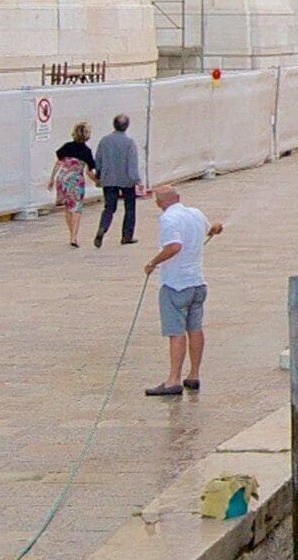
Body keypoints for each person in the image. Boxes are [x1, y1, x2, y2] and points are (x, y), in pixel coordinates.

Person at [139, 185, 223, 398]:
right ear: (178, 197)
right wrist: (215, 228)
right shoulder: (195, 213)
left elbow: (174, 246)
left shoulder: (168, 219)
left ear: (160, 202)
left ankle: (173, 380)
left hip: (176, 283)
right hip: (197, 282)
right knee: (195, 328)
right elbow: (210, 230)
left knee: (176, 332)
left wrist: (153, 263)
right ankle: (193, 375)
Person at [92, 114, 144, 247]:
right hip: (126, 180)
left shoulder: (104, 141)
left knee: (109, 207)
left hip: (109, 179)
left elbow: (98, 160)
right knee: (130, 208)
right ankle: (127, 236)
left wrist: (99, 175)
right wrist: (137, 180)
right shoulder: (130, 142)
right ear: (127, 126)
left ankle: (103, 227)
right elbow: (132, 164)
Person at [48, 124, 95, 248]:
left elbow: (58, 163)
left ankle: (71, 234)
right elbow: (89, 171)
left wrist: (52, 179)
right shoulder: (86, 151)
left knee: (68, 207)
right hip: (76, 181)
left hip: (62, 179)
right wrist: (97, 181)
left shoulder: (67, 147)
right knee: (76, 208)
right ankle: (74, 236)